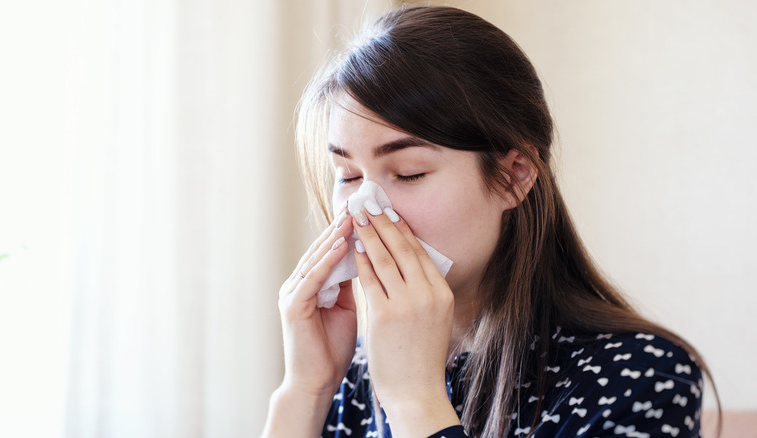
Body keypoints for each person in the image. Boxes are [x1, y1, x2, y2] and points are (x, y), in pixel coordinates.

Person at [261, 5, 719, 438]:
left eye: (409, 173)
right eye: (349, 176)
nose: (364, 209)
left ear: (513, 177)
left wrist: (414, 402)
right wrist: (306, 389)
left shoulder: (640, 376)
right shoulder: (356, 370)